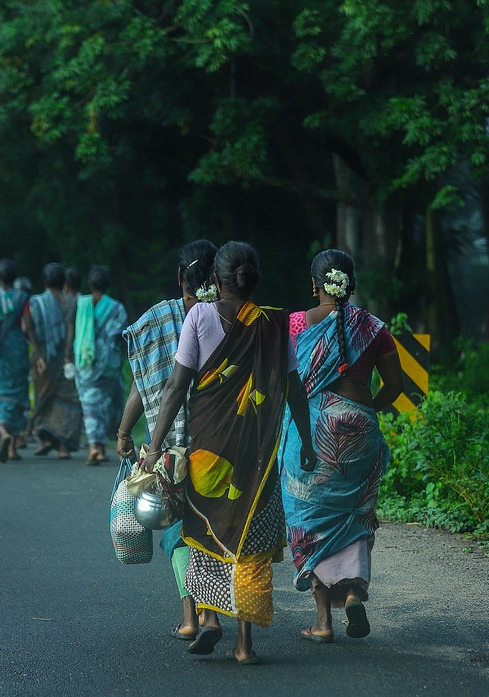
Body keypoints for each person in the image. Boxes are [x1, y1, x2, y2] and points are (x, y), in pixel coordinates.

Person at [142, 241, 317, 665]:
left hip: (208, 450)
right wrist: (307, 442)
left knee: (207, 532)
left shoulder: (199, 316)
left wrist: (155, 447)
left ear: (216, 281)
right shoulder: (273, 324)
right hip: (256, 455)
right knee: (249, 539)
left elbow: (176, 387)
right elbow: (294, 389)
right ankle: (243, 645)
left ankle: (210, 619)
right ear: (254, 279)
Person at [279, 249, 404, 643]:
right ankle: (351, 593)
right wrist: (364, 413)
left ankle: (322, 622)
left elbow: (283, 382)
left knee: (310, 521)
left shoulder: (296, 325)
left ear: (315, 285)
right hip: (361, 434)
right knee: (354, 517)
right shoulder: (374, 328)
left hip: (312, 434)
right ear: (351, 284)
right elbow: (396, 386)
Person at [116, 240, 218, 642]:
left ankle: (191, 616)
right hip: (221, 443)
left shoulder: (156, 320)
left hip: (171, 447)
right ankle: (213, 613)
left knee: (177, 529)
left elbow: (142, 383)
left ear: (180, 277)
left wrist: (126, 432)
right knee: (213, 527)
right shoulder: (230, 317)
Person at [0, 259, 46, 462]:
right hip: (17, 350)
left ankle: (3, 433)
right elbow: (28, 327)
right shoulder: (22, 297)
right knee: (17, 395)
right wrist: (39, 352)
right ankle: (12, 448)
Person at [67, 265, 127, 466]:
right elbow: (121, 336)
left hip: (85, 362)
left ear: (90, 284)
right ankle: (99, 448)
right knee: (104, 405)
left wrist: (68, 356)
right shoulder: (116, 308)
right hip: (108, 364)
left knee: (89, 405)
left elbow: (71, 331)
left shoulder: (80, 304)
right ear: (107, 284)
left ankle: (95, 447)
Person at [29, 263, 83, 459]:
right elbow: (71, 330)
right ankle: (63, 446)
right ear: (63, 282)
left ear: (45, 282)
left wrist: (40, 354)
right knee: (67, 401)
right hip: (66, 359)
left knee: (44, 398)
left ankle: (45, 439)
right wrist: (68, 355)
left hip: (43, 359)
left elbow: (29, 329)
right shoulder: (72, 302)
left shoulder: (36, 302)